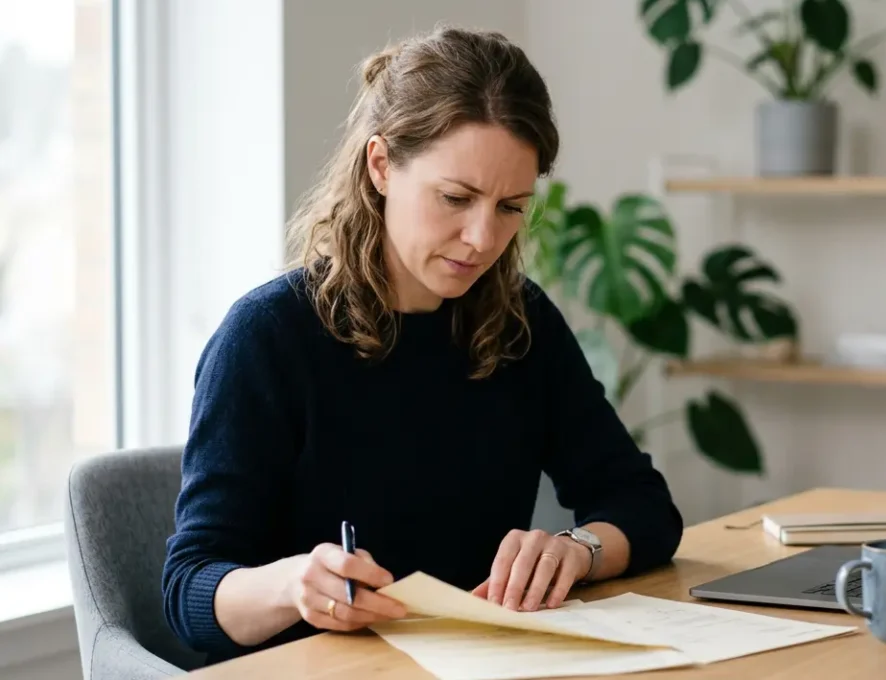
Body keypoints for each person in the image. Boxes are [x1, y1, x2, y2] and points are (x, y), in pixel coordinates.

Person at [160, 25, 684, 665]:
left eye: (511, 207)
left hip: (481, 665)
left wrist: (578, 550)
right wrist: (294, 586)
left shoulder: (521, 322)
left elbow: (644, 507)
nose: (482, 238)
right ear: (381, 166)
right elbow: (190, 590)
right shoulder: (267, 337)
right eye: (456, 198)